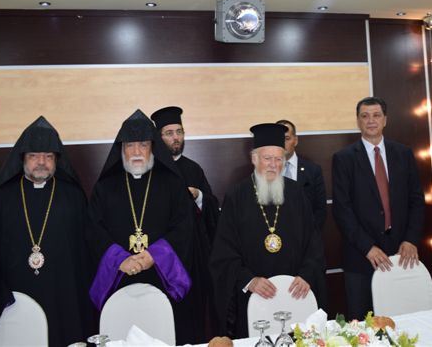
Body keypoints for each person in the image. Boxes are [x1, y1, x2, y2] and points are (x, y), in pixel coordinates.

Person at [0, 116, 92, 347]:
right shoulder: (1, 200)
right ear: (23, 158)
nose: (41, 162)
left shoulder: (73, 197)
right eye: (34, 155)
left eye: (48, 156)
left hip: (62, 296)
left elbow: (85, 256)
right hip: (15, 297)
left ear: (57, 160)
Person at [87, 110, 195, 344]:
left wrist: (154, 255)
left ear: (152, 148)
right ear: (122, 149)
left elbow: (184, 227)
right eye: (130, 145)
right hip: (119, 277)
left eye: (143, 145)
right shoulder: (105, 187)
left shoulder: (171, 183)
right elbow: (93, 229)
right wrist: (120, 259)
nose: (136, 151)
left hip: (162, 278)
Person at [209, 123, 325, 338]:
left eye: (279, 159)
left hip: (295, 294)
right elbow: (224, 252)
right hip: (254, 298)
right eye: (267, 158)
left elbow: (314, 242)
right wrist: (249, 280)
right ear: (254, 159)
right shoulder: (236, 196)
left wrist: (307, 274)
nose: (273, 165)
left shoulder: (297, 193)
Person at [332, 96, 424, 320]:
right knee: (363, 323)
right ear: (358, 121)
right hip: (361, 257)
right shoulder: (343, 158)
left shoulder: (403, 153)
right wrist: (367, 247)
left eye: (376, 115)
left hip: (401, 254)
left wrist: (411, 239)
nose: (371, 120)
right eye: (365, 116)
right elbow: (342, 210)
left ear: (385, 120)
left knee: (404, 319)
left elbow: (416, 200)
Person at [151, 105, 220, 342]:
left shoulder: (193, 168)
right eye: (169, 133)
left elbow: (212, 207)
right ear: (159, 137)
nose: (176, 138)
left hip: (194, 255)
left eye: (179, 132)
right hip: (163, 256)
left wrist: (199, 196)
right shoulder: (152, 170)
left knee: (194, 316)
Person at [276, 119, 327, 230]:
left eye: (287, 138)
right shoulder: (268, 171)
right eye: (278, 139)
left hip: (307, 234)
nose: (282, 143)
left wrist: (310, 234)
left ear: (295, 140)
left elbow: (320, 209)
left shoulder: (313, 170)